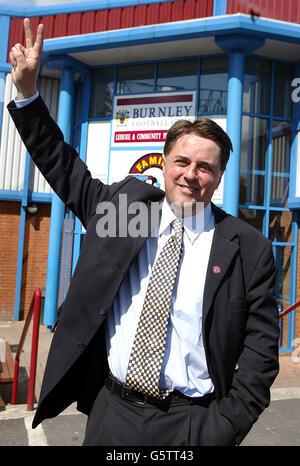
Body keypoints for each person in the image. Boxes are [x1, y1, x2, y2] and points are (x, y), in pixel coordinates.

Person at [8, 19, 279, 446]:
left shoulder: (249, 248)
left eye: (205, 167)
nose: (191, 175)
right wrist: (28, 95)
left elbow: (261, 352)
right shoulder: (126, 213)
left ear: (220, 175)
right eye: (182, 162)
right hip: (112, 412)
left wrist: (225, 427)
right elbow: (62, 166)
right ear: (165, 163)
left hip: (194, 423)